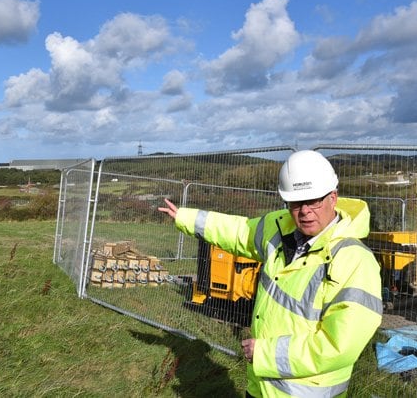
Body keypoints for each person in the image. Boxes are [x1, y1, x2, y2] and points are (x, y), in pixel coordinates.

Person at [158, 150, 382, 398]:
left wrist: (265, 354)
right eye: (296, 203)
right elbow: (239, 231)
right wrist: (185, 217)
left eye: (314, 201)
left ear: (333, 197)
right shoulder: (278, 228)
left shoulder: (356, 262)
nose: (305, 211)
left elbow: (340, 345)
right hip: (261, 386)